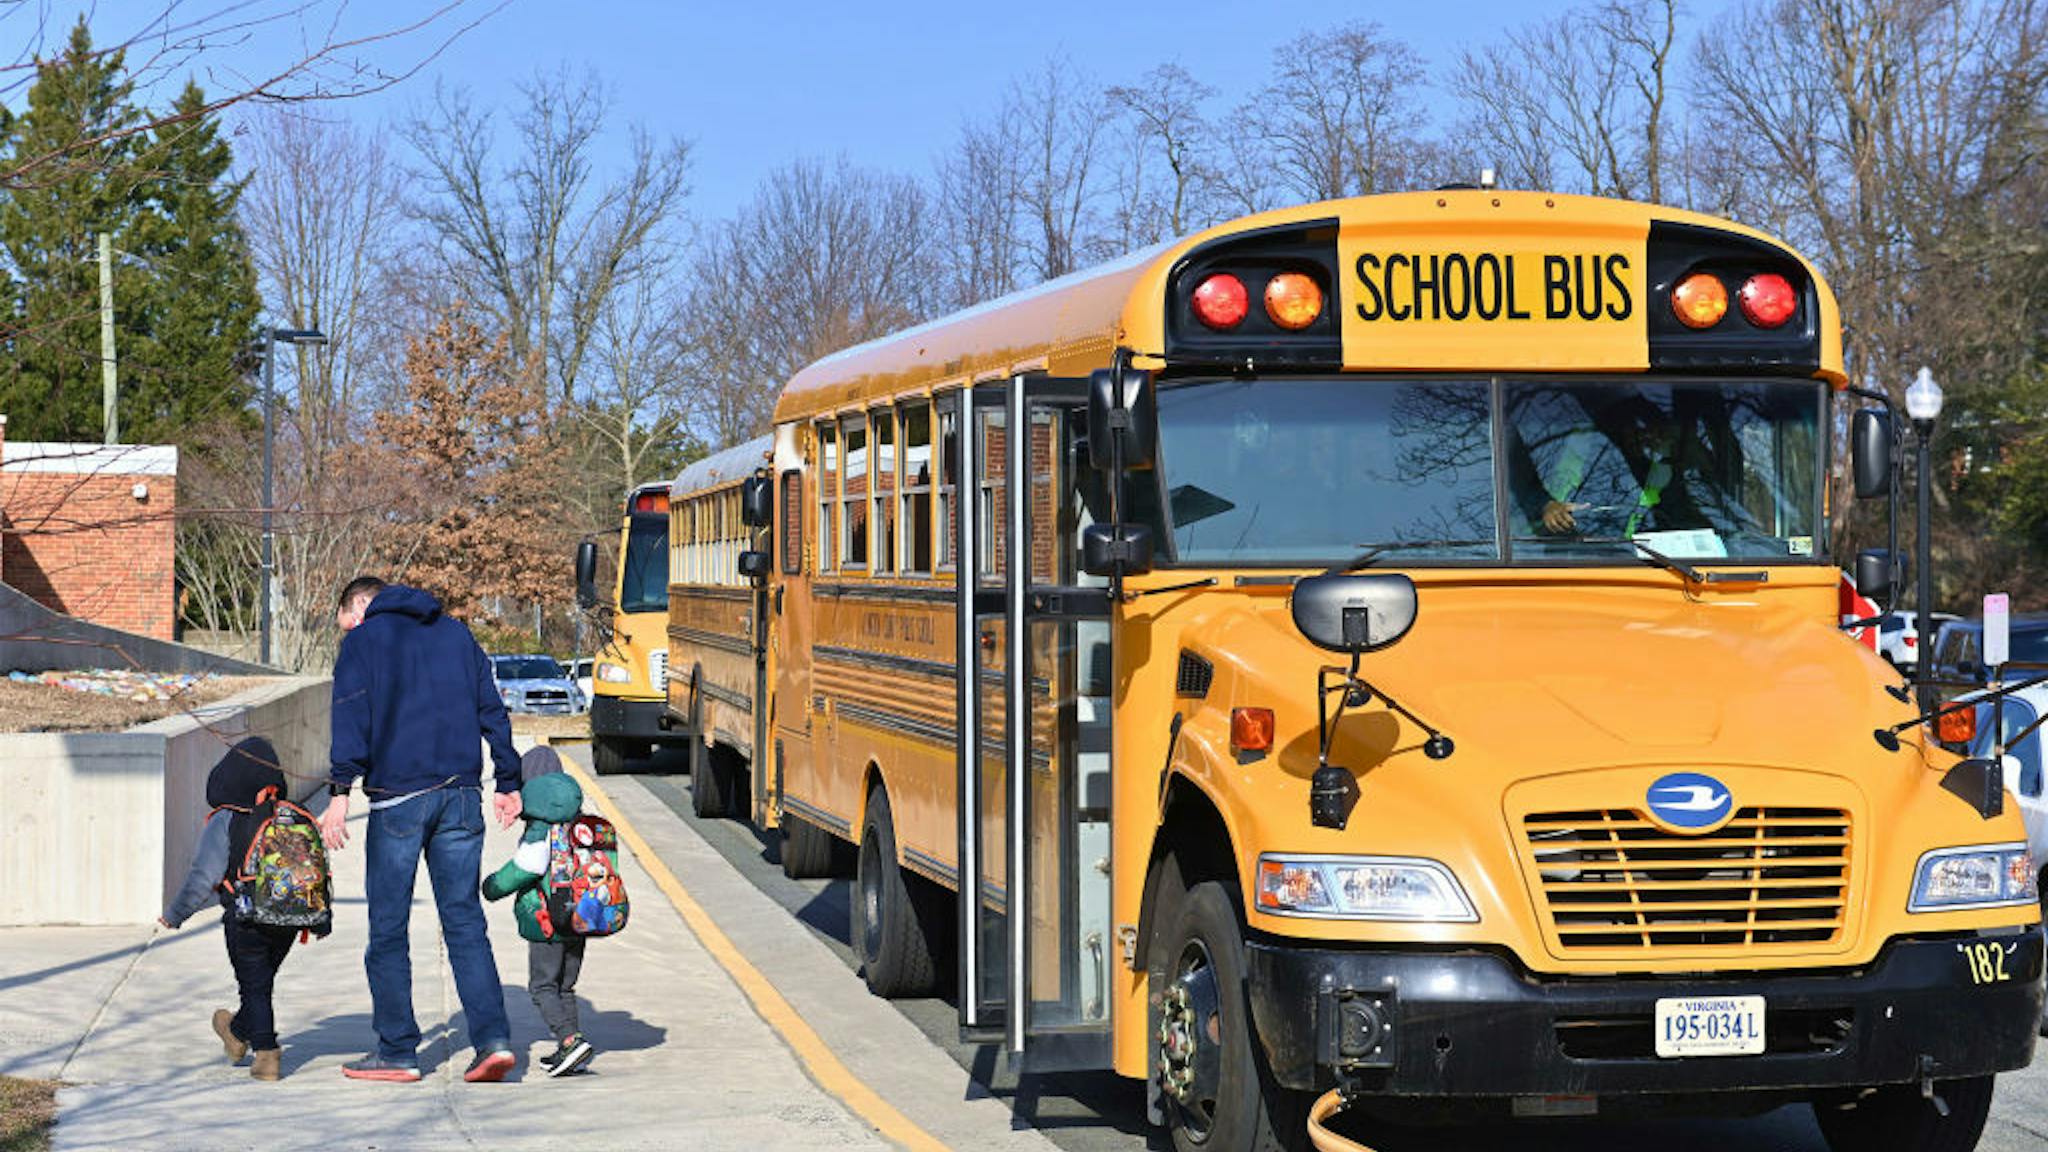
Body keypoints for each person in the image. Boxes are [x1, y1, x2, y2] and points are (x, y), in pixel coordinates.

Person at [318, 576, 524, 1083]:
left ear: (361, 605)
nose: (350, 628)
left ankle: (397, 1050)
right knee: (465, 922)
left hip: (400, 804)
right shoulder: (457, 634)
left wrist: (339, 793)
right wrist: (507, 779)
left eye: (349, 619)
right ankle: (493, 1041)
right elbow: (491, 709)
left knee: (388, 929)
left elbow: (350, 717)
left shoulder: (364, 642)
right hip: (461, 799)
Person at [159, 737, 299, 1082]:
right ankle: (235, 1033)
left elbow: (203, 875)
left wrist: (175, 913)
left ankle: (266, 1054)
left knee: (255, 987)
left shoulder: (225, 819)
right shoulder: (288, 815)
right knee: (259, 983)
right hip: (291, 918)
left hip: (246, 915)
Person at [482, 747, 596, 1077]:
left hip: (547, 920)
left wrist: (492, 886)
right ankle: (571, 1050)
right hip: (580, 917)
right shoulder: (577, 821)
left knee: (542, 986)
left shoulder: (540, 827)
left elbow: (526, 867)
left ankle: (569, 1039)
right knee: (566, 986)